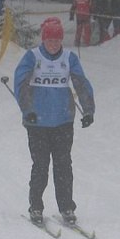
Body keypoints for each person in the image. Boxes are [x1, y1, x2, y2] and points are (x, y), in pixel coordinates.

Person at [13, 17, 95, 225]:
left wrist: (88, 110)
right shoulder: (33, 57)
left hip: (63, 121)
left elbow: (81, 83)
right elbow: (20, 84)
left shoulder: (69, 58)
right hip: (37, 123)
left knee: (63, 165)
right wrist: (27, 110)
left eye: (57, 40)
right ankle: (36, 207)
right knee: (40, 166)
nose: (53, 44)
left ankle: (67, 207)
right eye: (50, 41)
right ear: (44, 40)